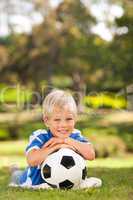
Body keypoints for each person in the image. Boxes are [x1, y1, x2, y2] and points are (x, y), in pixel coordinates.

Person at [9, 89, 102, 189]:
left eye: (69, 119)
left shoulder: (75, 135)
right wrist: (56, 146)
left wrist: (66, 140)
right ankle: (15, 170)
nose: (63, 125)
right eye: (57, 120)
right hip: (32, 180)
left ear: (75, 118)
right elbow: (32, 160)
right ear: (47, 121)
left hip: (66, 177)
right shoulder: (40, 136)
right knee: (17, 176)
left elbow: (91, 154)